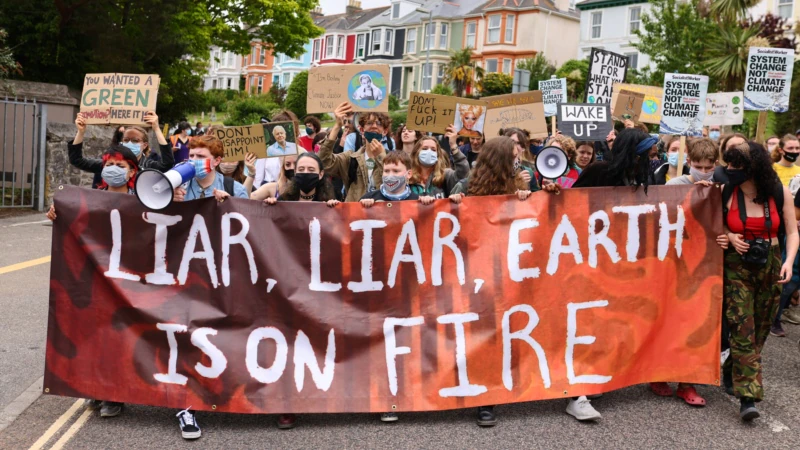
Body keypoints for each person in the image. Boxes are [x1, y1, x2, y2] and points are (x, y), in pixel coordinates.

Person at [46, 143, 141, 419]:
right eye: (109, 165)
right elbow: (70, 220)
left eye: (120, 166)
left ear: (132, 171)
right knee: (95, 335)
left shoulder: (143, 200)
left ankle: (116, 394)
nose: (113, 170)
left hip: (128, 282)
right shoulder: (88, 199)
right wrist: (55, 212)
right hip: (96, 281)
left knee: (121, 336)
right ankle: (98, 389)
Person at [448, 136, 532, 428]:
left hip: (507, 272)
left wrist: (529, 198)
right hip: (472, 273)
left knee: (498, 333)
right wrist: (455, 204)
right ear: (500, 159)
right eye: (514, 154)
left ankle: (487, 401)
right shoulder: (466, 187)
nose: (518, 158)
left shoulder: (520, 186)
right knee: (475, 332)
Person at [719, 141, 798, 421]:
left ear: (752, 168)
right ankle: (748, 397)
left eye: (736, 165)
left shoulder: (778, 192)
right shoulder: (726, 190)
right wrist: (728, 236)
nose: (730, 170)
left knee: (761, 328)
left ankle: (731, 371)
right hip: (736, 265)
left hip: (772, 261)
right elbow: (714, 223)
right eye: (728, 164)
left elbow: (792, 231)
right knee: (742, 326)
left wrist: (788, 262)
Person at [68, 111, 175, 179]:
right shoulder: (109, 164)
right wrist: (81, 132)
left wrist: (156, 128)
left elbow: (167, 163)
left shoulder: (148, 166)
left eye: (135, 141)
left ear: (145, 145)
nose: (129, 143)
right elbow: (77, 160)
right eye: (126, 140)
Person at [321, 102, 387, 201]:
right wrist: (337, 125)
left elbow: (399, 185)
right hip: (354, 213)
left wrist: (381, 157)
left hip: (381, 214)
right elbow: (323, 162)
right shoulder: (350, 158)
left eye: (379, 124)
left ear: (385, 132)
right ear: (361, 130)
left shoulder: (394, 159)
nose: (374, 126)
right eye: (369, 123)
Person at [172, 135, 249, 202]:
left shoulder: (236, 190)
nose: (194, 160)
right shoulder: (179, 185)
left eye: (200, 156)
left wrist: (230, 203)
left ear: (217, 160)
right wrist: (170, 199)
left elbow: (245, 217)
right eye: (191, 156)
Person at [409, 128, 469, 199]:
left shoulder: (445, 174)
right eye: (425, 148)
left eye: (433, 149)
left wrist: (453, 146)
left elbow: (463, 172)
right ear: (416, 152)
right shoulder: (408, 176)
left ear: (437, 155)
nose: (429, 152)